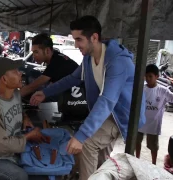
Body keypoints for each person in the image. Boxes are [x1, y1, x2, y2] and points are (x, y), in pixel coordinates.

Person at [29, 15, 146, 180]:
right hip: (107, 112)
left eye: (79, 39)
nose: (76, 45)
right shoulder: (88, 58)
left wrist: (81, 136)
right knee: (101, 160)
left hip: (123, 115)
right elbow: (72, 79)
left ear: (94, 37)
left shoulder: (117, 62)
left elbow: (107, 100)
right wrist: (46, 92)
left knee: (87, 143)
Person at [0, 57, 46, 180]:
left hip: (16, 153)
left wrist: (25, 117)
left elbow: (18, 110)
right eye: (15, 71)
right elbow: (0, 146)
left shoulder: (15, 95)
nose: (20, 73)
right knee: (20, 177)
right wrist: (29, 136)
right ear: (4, 79)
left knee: (44, 174)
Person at [136, 64, 173, 165]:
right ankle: (136, 159)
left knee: (153, 146)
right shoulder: (142, 89)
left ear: (157, 77)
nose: (148, 79)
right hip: (140, 122)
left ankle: (154, 163)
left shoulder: (162, 90)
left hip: (153, 124)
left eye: (150, 76)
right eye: (146, 76)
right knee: (137, 142)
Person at [20, 33, 79, 97]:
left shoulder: (56, 62)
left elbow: (33, 86)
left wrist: (13, 97)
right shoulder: (57, 56)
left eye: (36, 52)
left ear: (47, 50)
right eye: (33, 52)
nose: (33, 56)